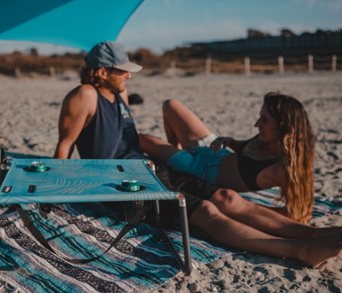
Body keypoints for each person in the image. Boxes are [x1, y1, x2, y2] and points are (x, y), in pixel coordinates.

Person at [52, 42, 342, 268]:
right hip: (120, 184)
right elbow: (64, 146)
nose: (129, 74)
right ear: (101, 71)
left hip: (150, 170)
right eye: (121, 70)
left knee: (226, 198)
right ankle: (300, 250)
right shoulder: (85, 94)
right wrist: (53, 195)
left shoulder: (120, 94)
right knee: (205, 212)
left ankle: (311, 235)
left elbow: (129, 142)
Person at [140, 93, 315, 224]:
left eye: (264, 120)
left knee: (142, 140)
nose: (257, 124)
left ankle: (176, 159)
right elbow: (244, 149)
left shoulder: (283, 169)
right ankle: (174, 154)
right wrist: (230, 141)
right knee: (170, 105)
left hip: (200, 169)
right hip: (212, 150)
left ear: (283, 127)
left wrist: (251, 209)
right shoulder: (266, 138)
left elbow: (298, 214)